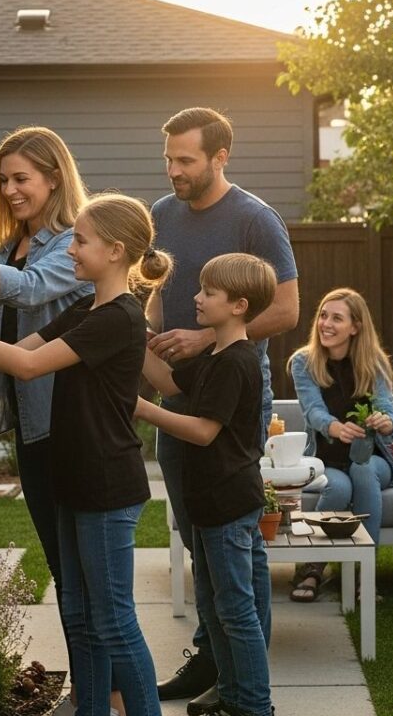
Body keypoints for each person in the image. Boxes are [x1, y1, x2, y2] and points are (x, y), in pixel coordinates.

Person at [0, 193, 171, 716]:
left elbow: (29, 368)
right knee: (77, 612)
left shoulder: (117, 318)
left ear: (115, 251)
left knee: (112, 619)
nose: (70, 249)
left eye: (81, 241)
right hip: (71, 478)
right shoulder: (84, 307)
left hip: (107, 487)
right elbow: (16, 354)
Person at [145, 107, 298, 713]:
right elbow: (154, 296)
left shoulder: (256, 219)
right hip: (173, 387)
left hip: (229, 392)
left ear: (219, 157)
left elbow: (285, 311)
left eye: (186, 160)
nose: (174, 170)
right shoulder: (161, 214)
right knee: (198, 533)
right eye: (169, 159)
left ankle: (242, 688)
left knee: (234, 546)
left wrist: (204, 338)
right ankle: (215, 666)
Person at [135, 253, 277, 716]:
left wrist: (141, 409)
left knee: (236, 613)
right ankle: (233, 697)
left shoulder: (236, 362)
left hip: (227, 506)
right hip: (207, 505)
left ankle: (254, 707)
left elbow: (203, 430)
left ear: (238, 305)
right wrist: (130, 329)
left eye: (207, 293)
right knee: (216, 611)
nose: (196, 298)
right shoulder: (215, 355)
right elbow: (170, 382)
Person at [287, 287, 393, 602]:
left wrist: (385, 422)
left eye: (337, 318)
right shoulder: (304, 362)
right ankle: (312, 569)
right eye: (323, 315)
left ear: (355, 327)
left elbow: (391, 416)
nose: (326, 323)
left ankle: (366, 575)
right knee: (339, 488)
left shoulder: (373, 363)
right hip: (328, 462)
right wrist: (335, 427)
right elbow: (313, 411)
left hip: (373, 461)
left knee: (362, 471)